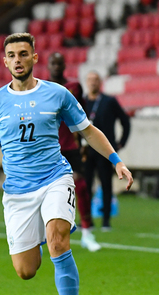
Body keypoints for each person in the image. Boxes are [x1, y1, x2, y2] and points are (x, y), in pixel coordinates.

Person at [0, 33, 133, 295]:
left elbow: (88, 130)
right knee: (26, 271)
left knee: (59, 240)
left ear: (35, 58)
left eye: (23, 53)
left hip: (55, 177)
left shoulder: (57, 94)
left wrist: (116, 160)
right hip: (18, 192)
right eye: (12, 55)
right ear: (5, 61)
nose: (18, 60)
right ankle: (42, 239)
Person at [48, 52, 101, 252]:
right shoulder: (40, 88)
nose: (56, 66)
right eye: (53, 63)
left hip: (70, 146)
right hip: (47, 147)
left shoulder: (74, 88)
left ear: (64, 65)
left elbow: (82, 117)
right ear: (47, 65)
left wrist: (86, 143)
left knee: (80, 186)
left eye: (59, 63)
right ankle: (40, 235)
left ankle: (87, 233)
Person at [83, 71, 131, 231]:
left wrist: (120, 144)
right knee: (85, 185)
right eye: (90, 80)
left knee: (106, 184)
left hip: (104, 151)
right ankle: (86, 220)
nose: (93, 83)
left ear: (100, 82)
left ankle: (106, 221)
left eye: (95, 80)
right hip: (85, 151)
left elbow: (125, 121)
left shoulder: (109, 101)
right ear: (86, 82)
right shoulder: (81, 101)